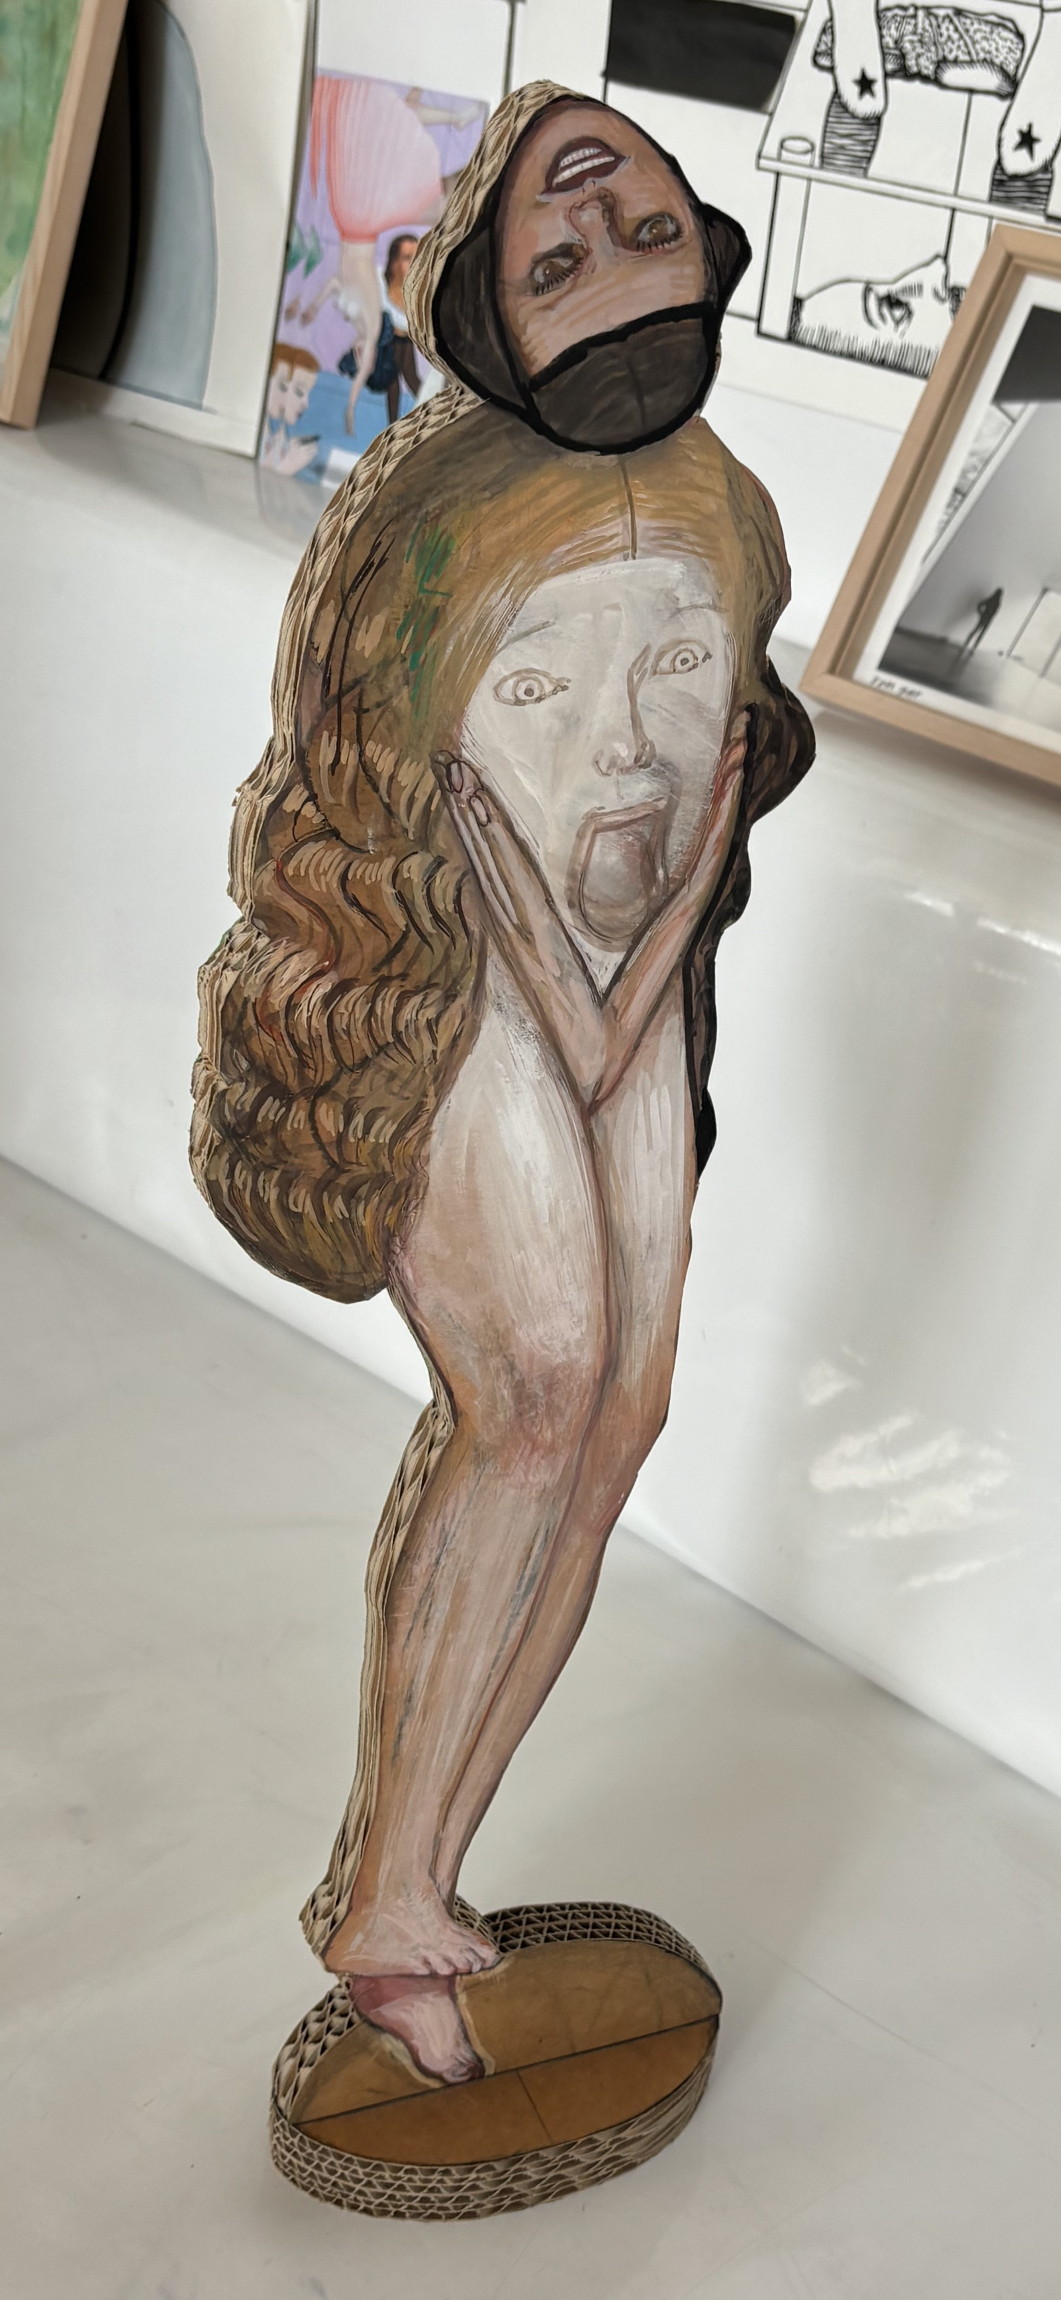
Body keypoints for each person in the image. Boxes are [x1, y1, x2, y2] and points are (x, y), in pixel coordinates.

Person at [191, 80, 811, 2096]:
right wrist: (562, 991)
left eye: (629, 225)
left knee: (618, 1412)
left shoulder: (723, 508)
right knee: (536, 1383)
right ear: (473, 306)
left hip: (633, 964)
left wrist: (646, 975)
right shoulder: (428, 523)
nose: (600, 200)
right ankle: (385, 1894)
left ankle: (423, 1873)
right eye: (557, 249)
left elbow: (713, 781)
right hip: (469, 978)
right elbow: (430, 817)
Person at [957, 585, 1003, 660]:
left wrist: (980, 612)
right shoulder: (997, 603)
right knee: (980, 634)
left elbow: (980, 604)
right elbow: (993, 613)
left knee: (975, 631)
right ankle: (972, 648)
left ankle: (965, 645)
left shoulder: (990, 599)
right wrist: (982, 613)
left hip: (983, 618)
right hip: (988, 620)